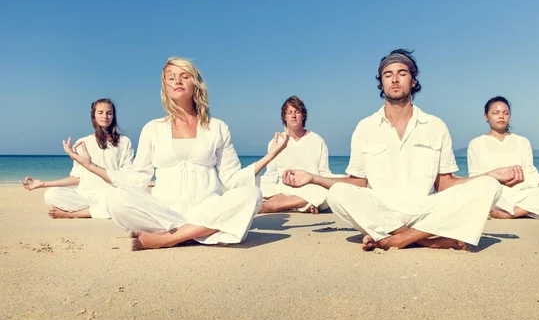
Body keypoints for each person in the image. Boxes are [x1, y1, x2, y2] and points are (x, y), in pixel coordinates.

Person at [282, 49, 525, 251]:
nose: (395, 79)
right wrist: (312, 178)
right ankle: (426, 239)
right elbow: (357, 183)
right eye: (388, 74)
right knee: (337, 195)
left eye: (402, 73)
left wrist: (491, 174)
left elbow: (446, 184)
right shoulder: (365, 127)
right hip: (382, 210)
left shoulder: (435, 125)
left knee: (490, 187)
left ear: (413, 80)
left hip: (425, 209)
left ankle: (400, 238)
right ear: (381, 82)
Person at [62, 57, 288, 251]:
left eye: (184, 75)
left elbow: (231, 178)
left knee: (251, 194)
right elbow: (137, 178)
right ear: (165, 87)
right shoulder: (153, 128)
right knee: (115, 199)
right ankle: (196, 233)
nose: (177, 81)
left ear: (195, 83)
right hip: (165, 213)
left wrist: (271, 156)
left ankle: (169, 239)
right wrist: (90, 166)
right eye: (170, 77)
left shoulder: (217, 127)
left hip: (206, 209)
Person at [21, 98, 133, 219]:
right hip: (85, 197)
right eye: (100, 112)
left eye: (109, 113)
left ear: (113, 116)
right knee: (51, 195)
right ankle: (97, 210)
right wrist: (44, 183)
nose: (105, 116)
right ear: (93, 116)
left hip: (111, 195)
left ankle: (73, 214)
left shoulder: (124, 142)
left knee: (123, 200)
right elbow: (77, 178)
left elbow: (127, 177)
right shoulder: (82, 142)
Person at [260, 95, 338, 214]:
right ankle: (303, 204)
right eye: (289, 112)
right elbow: (271, 175)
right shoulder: (276, 142)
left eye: (297, 112)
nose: (293, 116)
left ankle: (275, 206)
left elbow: (324, 173)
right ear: (284, 117)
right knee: (258, 185)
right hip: (283, 188)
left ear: (303, 116)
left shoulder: (317, 140)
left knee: (327, 191)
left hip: (310, 187)